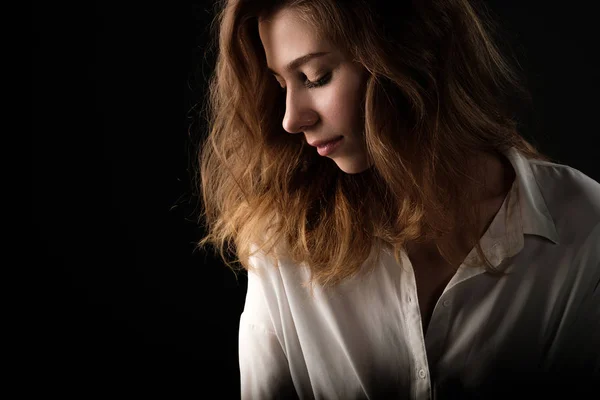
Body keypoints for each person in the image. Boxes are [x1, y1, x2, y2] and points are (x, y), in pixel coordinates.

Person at [197, 0, 600, 398]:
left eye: (315, 76)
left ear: (410, 52)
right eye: (281, 84)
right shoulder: (282, 237)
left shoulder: (585, 229)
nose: (290, 118)